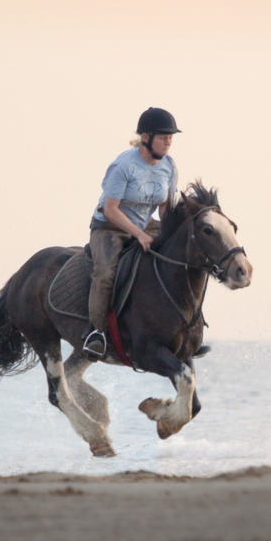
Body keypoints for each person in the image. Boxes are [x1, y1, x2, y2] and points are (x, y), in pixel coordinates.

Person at [83, 108, 180, 356]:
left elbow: (165, 207)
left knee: (183, 249)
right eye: (163, 137)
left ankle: (185, 328)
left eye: (171, 137)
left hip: (145, 223)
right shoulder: (124, 165)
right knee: (104, 272)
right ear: (146, 137)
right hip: (109, 225)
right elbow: (111, 208)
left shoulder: (169, 166)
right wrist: (139, 234)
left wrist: (172, 233)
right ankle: (95, 332)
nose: (168, 142)